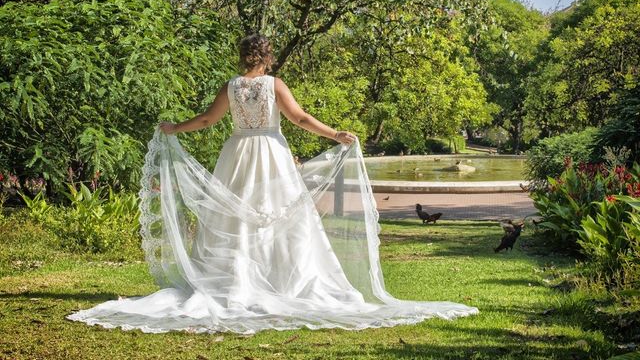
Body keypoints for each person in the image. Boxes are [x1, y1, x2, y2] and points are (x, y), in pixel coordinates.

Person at [66, 33, 478, 334]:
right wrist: (335, 134)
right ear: (266, 58)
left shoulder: (231, 87)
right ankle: (282, 280)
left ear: (243, 58)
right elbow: (299, 119)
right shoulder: (274, 85)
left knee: (232, 217)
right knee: (282, 220)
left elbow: (208, 121)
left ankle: (233, 281)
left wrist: (175, 128)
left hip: (237, 154)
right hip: (271, 153)